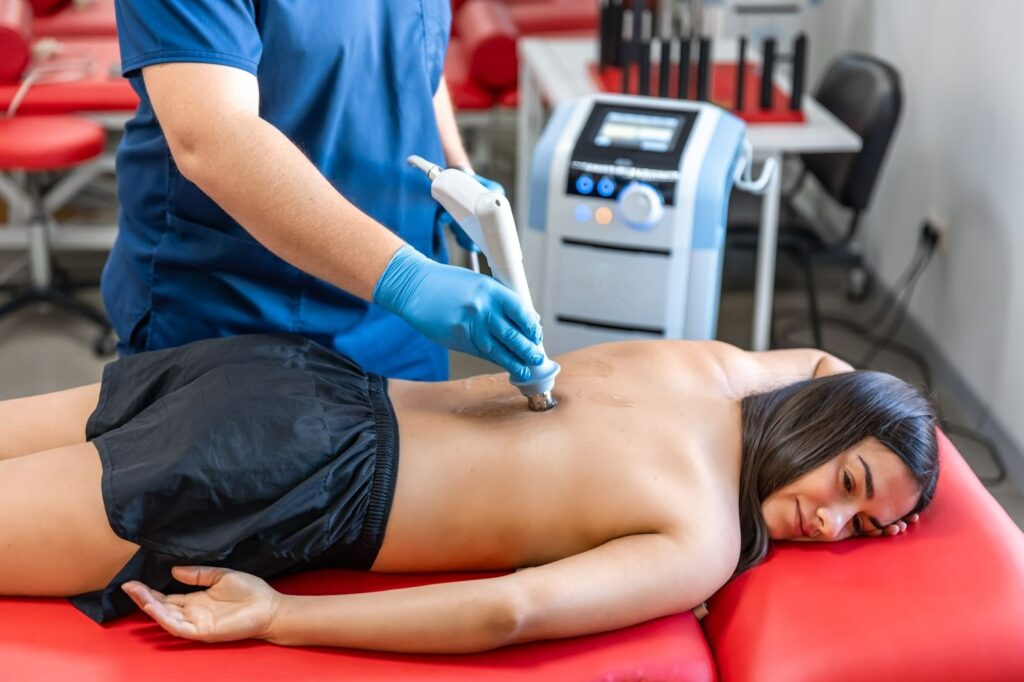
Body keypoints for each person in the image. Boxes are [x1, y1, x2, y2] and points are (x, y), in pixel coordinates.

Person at [0, 335, 938, 653]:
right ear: (826, 422)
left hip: (290, 379)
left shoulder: (716, 369)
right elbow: (509, 611)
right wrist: (280, 617)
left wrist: (891, 457)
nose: (830, 522)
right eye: (847, 481)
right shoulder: (704, 538)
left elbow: (826, 365)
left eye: (863, 526)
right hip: (285, 469)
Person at [103, 2, 543, 382]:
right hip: (243, 313)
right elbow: (214, 137)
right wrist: (407, 281)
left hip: (406, 313)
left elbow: (417, 50)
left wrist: (457, 169)